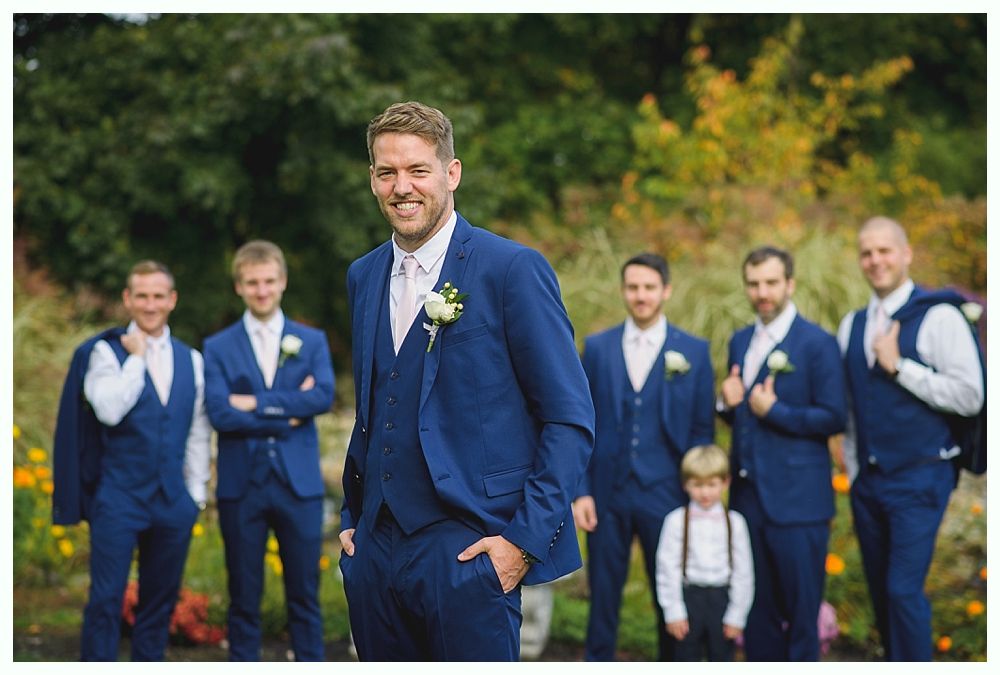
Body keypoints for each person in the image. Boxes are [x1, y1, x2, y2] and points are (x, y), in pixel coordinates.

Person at [338, 100, 595, 661]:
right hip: (375, 555)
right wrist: (352, 523)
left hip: (470, 555)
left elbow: (569, 418)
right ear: (373, 181)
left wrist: (521, 544)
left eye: (417, 170)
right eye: (387, 173)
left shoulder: (510, 269)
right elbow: (372, 408)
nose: (402, 186)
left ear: (451, 174)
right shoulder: (363, 275)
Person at [837, 216, 984, 661]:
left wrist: (900, 367)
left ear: (906, 254)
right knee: (883, 592)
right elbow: (851, 408)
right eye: (867, 252)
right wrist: (853, 465)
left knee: (902, 590)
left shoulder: (939, 316)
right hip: (868, 481)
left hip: (921, 476)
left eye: (885, 250)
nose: (875, 260)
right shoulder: (852, 325)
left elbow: (971, 395)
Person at [52, 260, 211, 661]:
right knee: (105, 600)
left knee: (158, 604)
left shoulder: (191, 359)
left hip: (173, 501)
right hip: (119, 498)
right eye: (141, 295)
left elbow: (195, 430)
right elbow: (107, 409)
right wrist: (136, 358)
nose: (150, 304)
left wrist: (194, 495)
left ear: (172, 300)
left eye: (158, 295)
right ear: (128, 299)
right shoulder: (104, 352)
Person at [573, 252, 715, 661]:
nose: (641, 296)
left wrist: (695, 494)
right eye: (633, 287)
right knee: (602, 598)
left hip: (667, 493)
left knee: (669, 597)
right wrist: (581, 490)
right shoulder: (598, 348)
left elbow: (702, 431)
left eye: (649, 287)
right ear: (623, 291)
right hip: (606, 494)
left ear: (666, 291)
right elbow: (583, 423)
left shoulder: (694, 352)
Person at [203, 240, 335, 661]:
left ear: (282, 282)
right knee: (243, 598)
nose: (261, 290)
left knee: (305, 597)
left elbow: (322, 397)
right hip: (242, 487)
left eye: (269, 282)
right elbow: (221, 414)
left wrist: (255, 403)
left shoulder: (310, 341)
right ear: (239, 287)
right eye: (252, 283)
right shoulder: (218, 346)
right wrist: (287, 410)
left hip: (299, 486)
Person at [718, 245, 846, 660]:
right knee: (757, 615)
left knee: (801, 614)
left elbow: (833, 417)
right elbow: (740, 415)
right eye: (754, 284)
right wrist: (725, 403)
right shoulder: (739, 341)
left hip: (800, 505)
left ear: (789, 284)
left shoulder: (818, 344)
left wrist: (777, 411)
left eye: (771, 282)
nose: (762, 292)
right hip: (747, 501)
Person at [655, 444, 754, 662]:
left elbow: (743, 572)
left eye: (712, 484)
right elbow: (666, 569)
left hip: (722, 600)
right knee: (684, 658)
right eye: (697, 485)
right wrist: (673, 611)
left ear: (725, 482)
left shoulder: (735, 523)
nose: (705, 492)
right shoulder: (676, 521)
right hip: (689, 599)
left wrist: (737, 615)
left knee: (721, 657)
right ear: (685, 485)